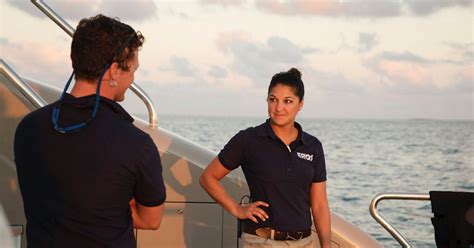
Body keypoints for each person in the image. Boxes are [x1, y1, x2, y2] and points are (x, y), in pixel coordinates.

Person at [14, 14, 166, 247]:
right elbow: (151, 219)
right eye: (133, 70)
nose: (132, 79)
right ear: (114, 70)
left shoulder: (29, 127)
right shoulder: (135, 143)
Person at [200, 68, 331, 247]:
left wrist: (326, 245)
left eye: (288, 101)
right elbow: (208, 177)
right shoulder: (248, 140)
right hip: (262, 242)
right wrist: (236, 209)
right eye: (273, 99)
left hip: (305, 243)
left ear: (300, 104)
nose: (278, 108)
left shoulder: (312, 146)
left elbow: (319, 205)